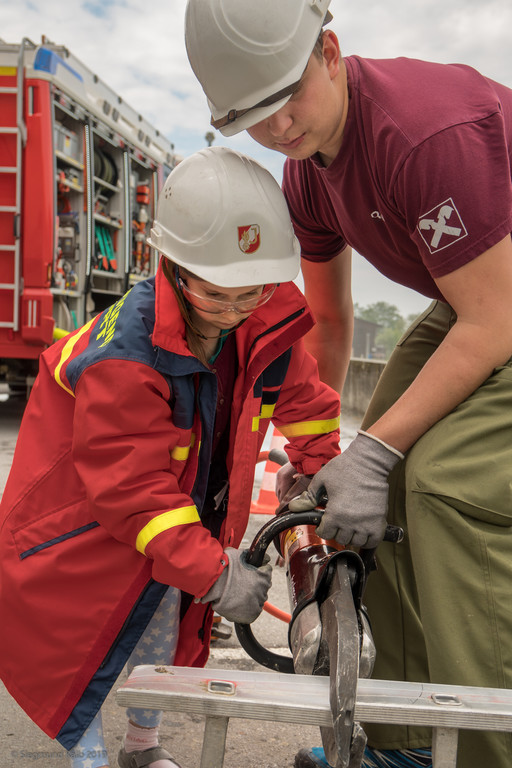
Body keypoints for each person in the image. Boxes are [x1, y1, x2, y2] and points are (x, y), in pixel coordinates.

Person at [185, 2, 512, 768]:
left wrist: (379, 455)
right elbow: (326, 325)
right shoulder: (308, 177)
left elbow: (495, 322)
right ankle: (406, 744)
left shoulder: (421, 135)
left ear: (330, 51)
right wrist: (320, 454)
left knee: (440, 485)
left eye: (287, 96)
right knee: (366, 500)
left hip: (498, 300)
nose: (280, 127)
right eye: (255, 117)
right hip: (474, 295)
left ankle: (490, 748)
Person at [0, 146, 342, 768]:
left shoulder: (263, 322)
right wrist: (215, 573)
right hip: (82, 526)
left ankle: (142, 745)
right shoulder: (126, 356)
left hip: (173, 517)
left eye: (253, 292)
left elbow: (308, 402)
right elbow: (131, 490)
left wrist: (322, 468)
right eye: (218, 295)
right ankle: (90, 753)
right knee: (88, 644)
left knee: (159, 625)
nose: (238, 311)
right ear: (174, 268)